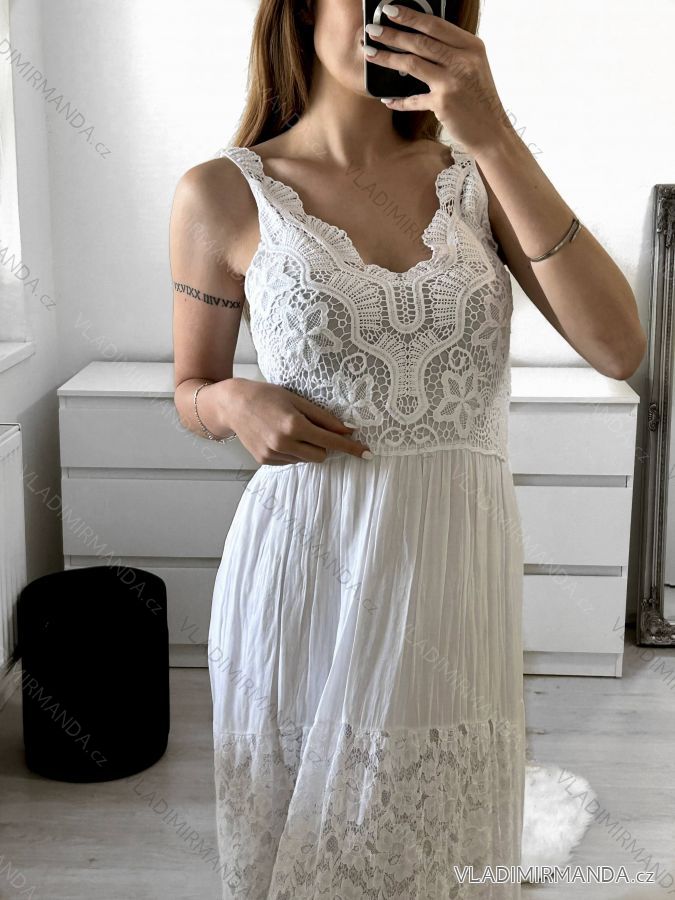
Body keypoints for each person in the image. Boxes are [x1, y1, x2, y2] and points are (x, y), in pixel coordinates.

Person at [170, 1, 646, 896]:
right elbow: (191, 388)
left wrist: (491, 131)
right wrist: (230, 401)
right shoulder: (222, 192)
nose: (392, 16)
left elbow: (619, 348)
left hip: (452, 587)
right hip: (304, 576)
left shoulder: (476, 180)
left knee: (439, 850)